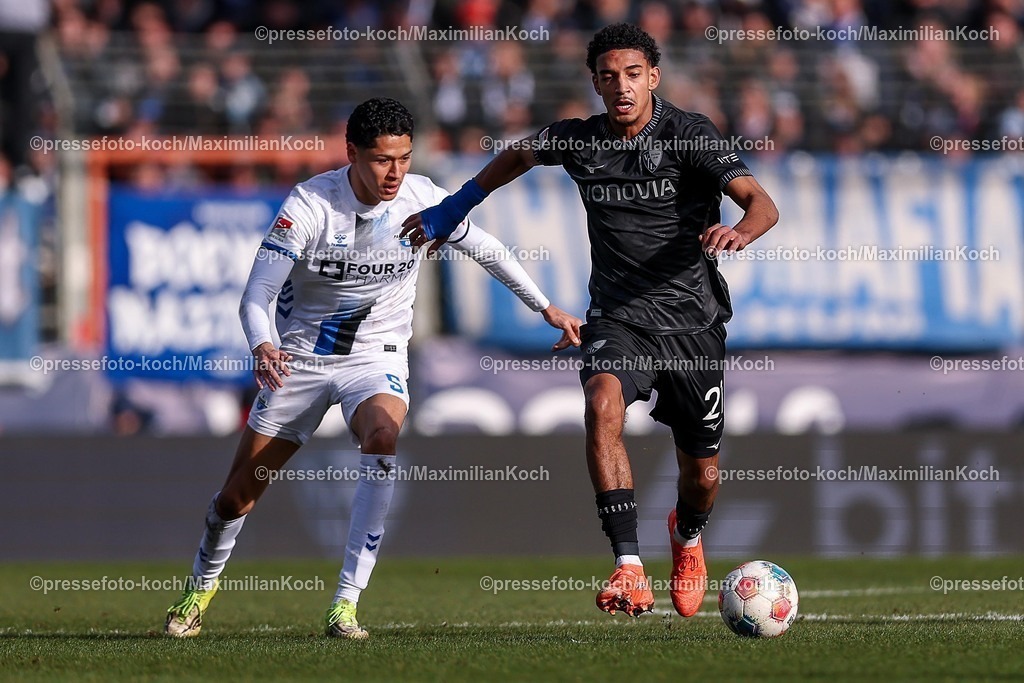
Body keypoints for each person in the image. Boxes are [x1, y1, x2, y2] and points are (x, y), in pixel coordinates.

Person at [164, 97, 581, 639]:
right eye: (383, 159)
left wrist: (545, 307)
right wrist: (262, 345)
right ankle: (198, 590)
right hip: (300, 359)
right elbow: (256, 293)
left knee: (382, 436)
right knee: (236, 497)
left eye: (404, 158)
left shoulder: (422, 198)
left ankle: (346, 604)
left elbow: (487, 249)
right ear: (352, 153)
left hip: (376, 356)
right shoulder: (311, 205)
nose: (395, 172)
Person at [402, 24, 779, 618]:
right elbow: (520, 153)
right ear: (596, 83)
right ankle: (628, 566)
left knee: (702, 475)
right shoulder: (582, 140)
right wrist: (455, 206)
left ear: (653, 76)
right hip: (617, 316)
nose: (622, 86)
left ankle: (687, 536)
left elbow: (762, 202)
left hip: (692, 325)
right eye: (609, 76)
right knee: (602, 407)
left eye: (633, 74)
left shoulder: (690, 135)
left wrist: (739, 230)